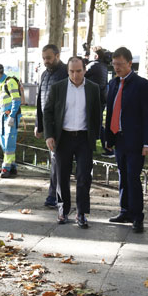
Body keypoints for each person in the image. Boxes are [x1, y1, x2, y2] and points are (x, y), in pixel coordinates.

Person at [43, 57, 101, 228]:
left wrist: (95, 137)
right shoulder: (58, 88)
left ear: (84, 70)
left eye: (78, 71)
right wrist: (49, 135)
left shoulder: (93, 88)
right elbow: (48, 112)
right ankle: (63, 209)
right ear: (68, 71)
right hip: (63, 137)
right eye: (71, 71)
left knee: (84, 177)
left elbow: (97, 114)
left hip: (84, 138)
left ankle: (81, 213)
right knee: (61, 176)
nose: (75, 75)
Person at [105, 47, 148, 233]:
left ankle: (137, 216)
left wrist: (147, 142)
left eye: (120, 64)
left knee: (133, 177)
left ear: (129, 63)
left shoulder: (141, 85)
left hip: (135, 140)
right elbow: (110, 112)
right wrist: (108, 139)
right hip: (119, 139)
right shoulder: (113, 84)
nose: (116, 67)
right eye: (114, 64)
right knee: (122, 176)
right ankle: (124, 210)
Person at [34, 44, 68, 208]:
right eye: (44, 58)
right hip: (48, 126)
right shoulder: (44, 75)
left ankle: (54, 196)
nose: (46, 61)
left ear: (57, 56)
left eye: (48, 58)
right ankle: (54, 195)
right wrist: (38, 125)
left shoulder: (66, 73)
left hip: (61, 125)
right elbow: (40, 100)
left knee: (57, 162)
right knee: (55, 161)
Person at [0, 63, 22, 178]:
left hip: (11, 117)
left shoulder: (9, 82)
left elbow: (16, 100)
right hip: (4, 117)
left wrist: (12, 116)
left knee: (9, 143)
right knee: (4, 142)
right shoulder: (1, 84)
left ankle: (6, 168)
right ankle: (12, 167)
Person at [85, 46, 113, 158]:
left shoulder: (93, 65)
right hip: (100, 98)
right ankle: (108, 147)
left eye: (91, 54)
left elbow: (80, 73)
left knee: (95, 124)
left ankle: (105, 147)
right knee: (98, 123)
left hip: (93, 98)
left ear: (96, 56)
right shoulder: (103, 66)